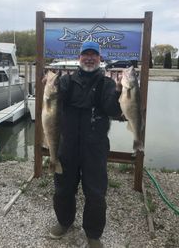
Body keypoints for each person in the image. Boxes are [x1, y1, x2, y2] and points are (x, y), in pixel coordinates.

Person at [49, 41, 122, 248]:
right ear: (79, 57)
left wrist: (118, 91)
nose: (89, 58)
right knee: (63, 189)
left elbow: (114, 111)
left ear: (100, 59)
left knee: (96, 193)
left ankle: (93, 233)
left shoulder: (107, 84)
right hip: (68, 145)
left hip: (95, 148)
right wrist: (48, 83)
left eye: (94, 55)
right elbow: (52, 101)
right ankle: (64, 222)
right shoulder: (66, 82)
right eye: (85, 54)